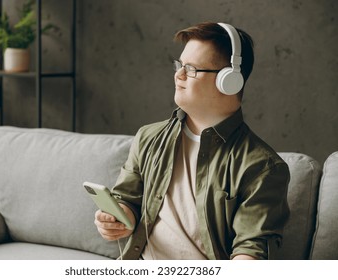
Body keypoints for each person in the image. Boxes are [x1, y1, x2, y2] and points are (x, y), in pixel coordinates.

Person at [94, 21, 290, 260]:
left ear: (229, 81)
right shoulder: (148, 137)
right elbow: (128, 200)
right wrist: (118, 218)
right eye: (179, 65)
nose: (178, 74)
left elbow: (250, 250)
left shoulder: (263, 168)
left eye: (192, 69)